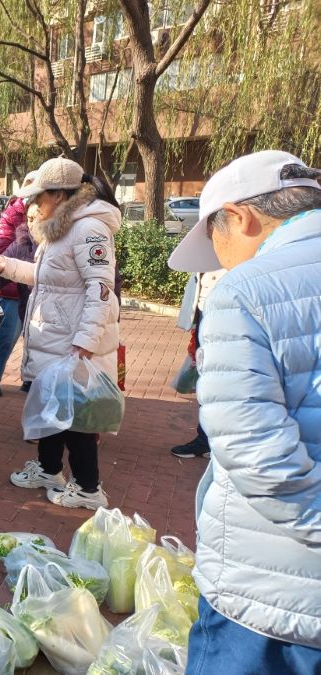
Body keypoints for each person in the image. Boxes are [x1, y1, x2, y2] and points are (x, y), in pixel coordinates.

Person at [166, 150, 321, 673]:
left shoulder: (247, 290)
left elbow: (258, 458)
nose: (221, 265)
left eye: (218, 245)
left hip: (273, 601)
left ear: (240, 217)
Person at [0, 158, 122, 510]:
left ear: (60, 195)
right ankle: (49, 470)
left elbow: (101, 288)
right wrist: (8, 266)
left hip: (72, 339)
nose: (33, 205)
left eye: (38, 197)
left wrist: (85, 342)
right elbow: (49, 277)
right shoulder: (60, 228)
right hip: (55, 336)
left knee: (76, 417)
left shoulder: (89, 229)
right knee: (50, 406)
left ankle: (89, 489)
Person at [0, 172, 38, 396]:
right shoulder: (14, 215)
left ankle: (30, 378)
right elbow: (5, 252)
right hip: (14, 290)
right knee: (7, 336)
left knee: (34, 339)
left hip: (37, 292)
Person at [170, 269, 225, 458]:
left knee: (221, 382)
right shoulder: (206, 246)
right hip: (205, 310)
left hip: (224, 312)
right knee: (207, 380)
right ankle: (206, 440)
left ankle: (215, 442)